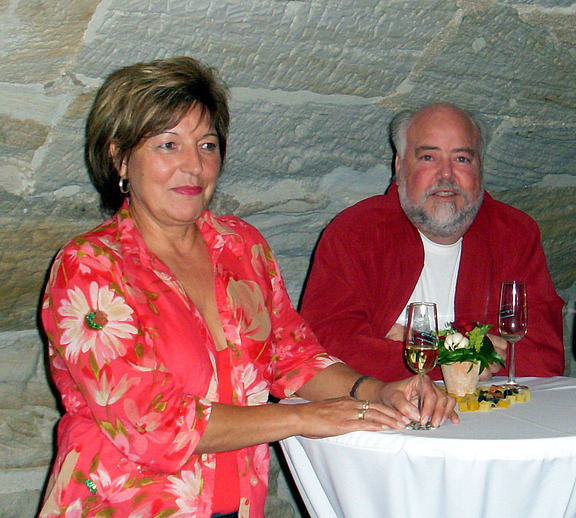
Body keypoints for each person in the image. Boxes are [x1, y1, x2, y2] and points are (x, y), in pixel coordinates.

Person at [38, 58, 457, 518]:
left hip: (238, 505)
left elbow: (294, 357)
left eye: (207, 145)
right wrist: (302, 418)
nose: (194, 165)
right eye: (168, 145)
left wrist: (378, 391)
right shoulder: (90, 268)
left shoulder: (241, 247)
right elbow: (153, 425)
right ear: (120, 157)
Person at [300, 102, 565, 383]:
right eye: (428, 157)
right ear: (400, 166)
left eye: (461, 159)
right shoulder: (356, 233)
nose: (446, 174)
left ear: (480, 169)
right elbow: (324, 353)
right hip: (383, 408)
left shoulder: (513, 234)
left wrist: (415, 346)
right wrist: (468, 355)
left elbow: (544, 358)